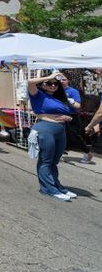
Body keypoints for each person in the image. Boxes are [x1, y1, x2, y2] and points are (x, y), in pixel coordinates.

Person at [28, 72, 76, 201]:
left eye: (55, 83)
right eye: (49, 83)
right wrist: (50, 77)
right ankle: (49, 189)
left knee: (54, 161)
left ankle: (57, 186)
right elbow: (30, 82)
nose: (53, 85)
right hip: (45, 129)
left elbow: (72, 111)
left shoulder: (60, 97)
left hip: (60, 130)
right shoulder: (38, 95)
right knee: (46, 161)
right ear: (43, 84)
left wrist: (68, 117)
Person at [58, 74, 92, 164]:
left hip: (72, 116)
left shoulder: (73, 91)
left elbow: (78, 106)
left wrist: (69, 100)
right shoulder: (56, 90)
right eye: (60, 79)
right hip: (60, 116)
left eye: (64, 79)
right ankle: (59, 153)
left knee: (74, 136)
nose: (62, 81)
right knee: (60, 135)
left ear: (68, 81)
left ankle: (88, 153)